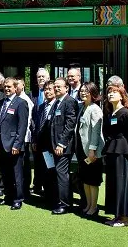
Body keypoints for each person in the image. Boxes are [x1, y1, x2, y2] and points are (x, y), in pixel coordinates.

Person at [42, 77, 77, 214]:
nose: (56, 89)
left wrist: (61, 143)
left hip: (62, 147)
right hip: (52, 146)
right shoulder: (57, 102)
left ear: (66, 88)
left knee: (61, 174)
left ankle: (65, 204)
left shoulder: (69, 102)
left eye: (59, 87)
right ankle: (59, 200)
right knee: (56, 173)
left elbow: (69, 125)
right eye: (55, 86)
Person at [102, 85, 128, 227]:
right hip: (111, 152)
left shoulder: (125, 113)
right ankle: (117, 215)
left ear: (122, 95)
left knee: (122, 185)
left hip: (123, 153)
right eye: (109, 92)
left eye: (114, 92)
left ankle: (124, 218)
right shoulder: (111, 113)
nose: (111, 94)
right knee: (113, 184)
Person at [0, 77, 29, 210]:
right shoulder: (0, 103)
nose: (7, 89)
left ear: (15, 88)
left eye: (9, 87)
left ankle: (18, 199)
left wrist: (17, 145)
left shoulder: (21, 103)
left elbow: (22, 126)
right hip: (1, 144)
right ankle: (8, 197)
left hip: (14, 145)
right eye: (5, 87)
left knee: (16, 173)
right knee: (5, 173)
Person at [76, 82, 104, 216]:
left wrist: (92, 150)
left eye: (86, 91)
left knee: (93, 180)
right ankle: (88, 205)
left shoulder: (95, 109)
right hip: (82, 149)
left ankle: (94, 207)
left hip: (92, 151)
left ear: (92, 93)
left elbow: (96, 132)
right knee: (85, 179)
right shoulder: (82, 107)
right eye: (81, 91)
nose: (83, 93)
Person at [31, 80, 56, 203]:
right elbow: (37, 126)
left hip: (52, 145)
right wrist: (35, 140)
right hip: (41, 145)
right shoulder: (41, 107)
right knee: (44, 170)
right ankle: (47, 195)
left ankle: (54, 197)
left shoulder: (57, 105)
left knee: (52, 172)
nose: (47, 92)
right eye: (45, 89)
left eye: (50, 89)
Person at [31, 68, 50, 195]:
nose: (41, 78)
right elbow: (31, 117)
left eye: (43, 76)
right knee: (37, 162)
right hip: (36, 134)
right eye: (39, 77)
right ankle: (37, 185)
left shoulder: (52, 94)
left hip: (48, 136)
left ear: (48, 79)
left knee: (48, 162)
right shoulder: (32, 95)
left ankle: (47, 186)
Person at [16, 77, 34, 197]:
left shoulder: (25, 100)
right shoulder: (15, 98)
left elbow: (26, 122)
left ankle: (25, 189)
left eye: (18, 84)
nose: (16, 86)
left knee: (24, 165)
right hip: (19, 137)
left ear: (23, 85)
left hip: (24, 137)